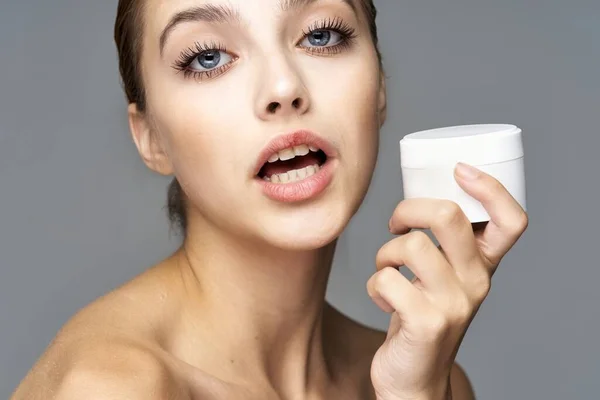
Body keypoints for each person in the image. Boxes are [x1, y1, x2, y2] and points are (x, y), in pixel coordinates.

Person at [11, 0, 528, 399]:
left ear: (380, 89)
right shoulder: (114, 387)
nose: (283, 85)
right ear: (151, 137)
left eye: (320, 34)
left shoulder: (425, 375)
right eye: (208, 56)